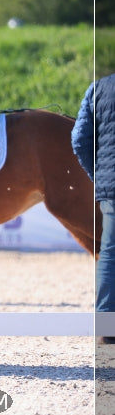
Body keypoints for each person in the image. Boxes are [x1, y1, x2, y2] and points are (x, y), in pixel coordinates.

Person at [72, 73, 115, 343]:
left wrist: (99, 177)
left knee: (110, 255)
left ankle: (106, 328)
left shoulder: (98, 88)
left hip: (111, 187)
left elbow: (79, 139)